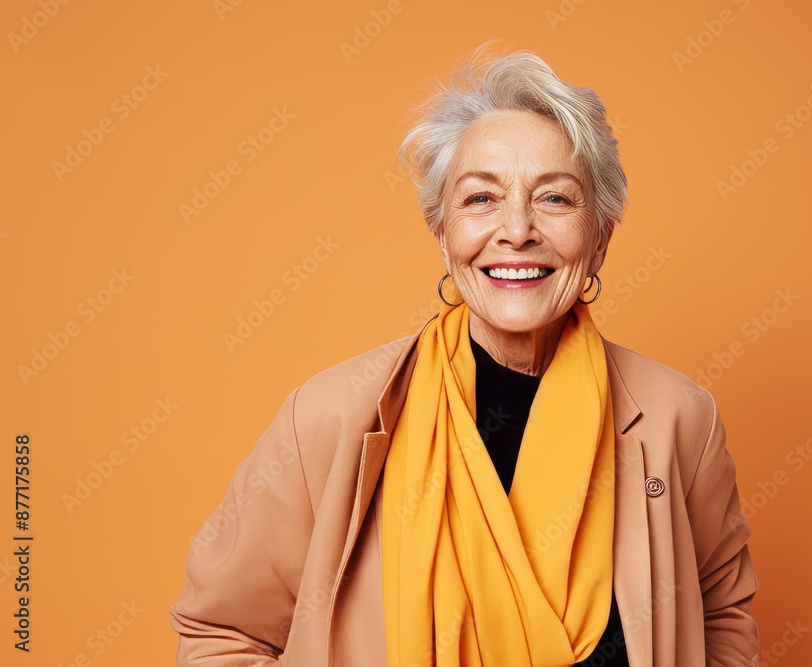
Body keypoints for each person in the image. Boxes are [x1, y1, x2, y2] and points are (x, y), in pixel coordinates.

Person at [169, 40, 760, 666]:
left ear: (601, 235)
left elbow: (722, 614)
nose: (516, 229)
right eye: (481, 198)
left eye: (555, 198)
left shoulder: (678, 420)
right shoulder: (329, 418)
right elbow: (221, 633)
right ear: (441, 229)